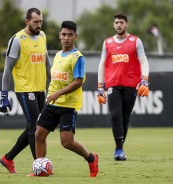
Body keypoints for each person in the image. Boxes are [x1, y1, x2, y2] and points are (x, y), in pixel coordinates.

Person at [34, 21, 99, 177]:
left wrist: (59, 93)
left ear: (75, 36)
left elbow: (78, 81)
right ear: (59, 35)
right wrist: (52, 94)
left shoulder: (77, 57)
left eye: (70, 35)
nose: (66, 38)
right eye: (63, 34)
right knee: (39, 135)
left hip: (68, 105)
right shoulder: (57, 55)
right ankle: (41, 170)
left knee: (67, 142)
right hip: (52, 103)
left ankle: (91, 158)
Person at [0, 8, 51, 173]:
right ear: (27, 21)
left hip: (40, 89)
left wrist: (54, 83)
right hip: (24, 89)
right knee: (36, 128)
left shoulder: (42, 36)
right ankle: (39, 165)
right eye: (36, 21)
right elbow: (7, 69)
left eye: (41, 21)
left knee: (36, 127)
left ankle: (8, 158)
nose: (39, 24)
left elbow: (46, 61)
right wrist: (4, 94)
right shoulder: (17, 40)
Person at [97, 12, 150, 161]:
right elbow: (102, 64)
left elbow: (143, 62)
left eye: (121, 22)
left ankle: (119, 147)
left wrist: (144, 79)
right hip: (113, 84)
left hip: (131, 85)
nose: (118, 25)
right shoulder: (107, 43)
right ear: (113, 25)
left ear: (127, 24)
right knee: (115, 116)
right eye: (116, 23)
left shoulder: (135, 41)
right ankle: (119, 149)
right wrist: (100, 87)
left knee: (125, 119)